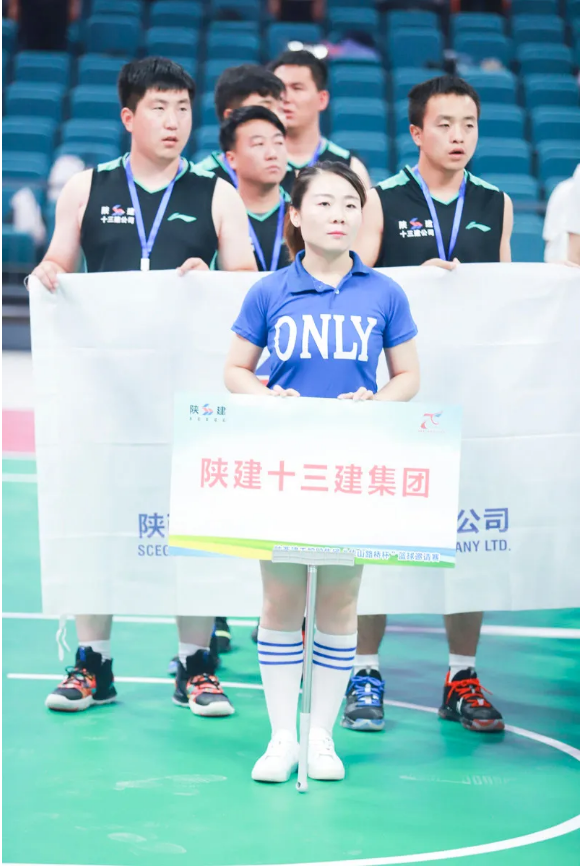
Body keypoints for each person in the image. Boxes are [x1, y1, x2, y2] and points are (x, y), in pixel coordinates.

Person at [29, 56, 256, 718]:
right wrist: (48, 272)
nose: (173, 121)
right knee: (96, 515)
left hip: (191, 392)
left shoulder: (216, 192)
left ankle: (196, 665)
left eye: (183, 108)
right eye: (159, 107)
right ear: (129, 116)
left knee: (198, 519)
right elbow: (59, 259)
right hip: (105, 391)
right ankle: (92, 663)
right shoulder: (86, 188)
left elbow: (246, 280)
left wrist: (211, 279)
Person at [224, 161, 420, 782]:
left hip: (352, 464)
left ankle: (321, 738)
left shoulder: (384, 292)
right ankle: (282, 737)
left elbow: (409, 376)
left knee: (339, 599)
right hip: (283, 465)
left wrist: (375, 403)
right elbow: (234, 370)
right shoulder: (269, 291)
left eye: (350, 205)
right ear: (296, 214)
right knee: (281, 598)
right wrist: (266, 396)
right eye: (325, 203)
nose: (339, 215)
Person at [350, 75, 512, 734]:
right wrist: (414, 283)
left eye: (469, 124)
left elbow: (506, 297)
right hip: (397, 394)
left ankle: (461, 675)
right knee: (373, 535)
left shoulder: (496, 202)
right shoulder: (382, 199)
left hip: (469, 396)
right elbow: (355, 286)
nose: (458, 136)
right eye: (444, 124)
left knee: (465, 536)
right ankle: (364, 669)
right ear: (417, 132)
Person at [268, 50, 372, 191]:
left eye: (297, 88)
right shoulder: (254, 162)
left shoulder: (350, 167)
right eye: (279, 89)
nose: (285, 98)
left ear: (322, 99)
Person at [219, 106, 291, 272]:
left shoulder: (304, 216)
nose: (272, 154)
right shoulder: (217, 219)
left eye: (279, 143)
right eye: (259, 144)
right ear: (231, 159)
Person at [195, 65, 286, 183]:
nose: (278, 118)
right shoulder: (199, 181)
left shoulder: (293, 178)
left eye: (281, 109)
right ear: (230, 116)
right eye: (265, 108)